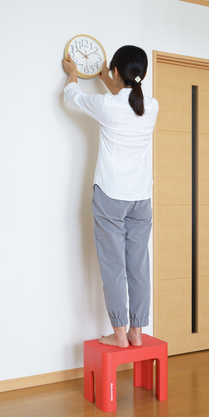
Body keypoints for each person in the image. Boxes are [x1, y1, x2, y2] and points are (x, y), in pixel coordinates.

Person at [62, 45, 159, 348]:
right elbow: (127, 100)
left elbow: (71, 96)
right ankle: (136, 334)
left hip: (111, 196)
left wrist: (73, 73)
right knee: (138, 266)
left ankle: (119, 335)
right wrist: (109, 78)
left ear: (116, 71)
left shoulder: (107, 105)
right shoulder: (152, 106)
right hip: (141, 198)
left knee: (114, 267)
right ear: (143, 73)